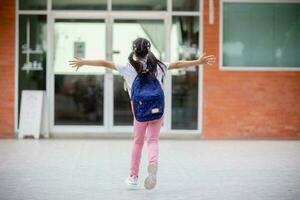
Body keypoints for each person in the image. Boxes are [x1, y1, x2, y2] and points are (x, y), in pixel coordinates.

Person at [69, 37, 215, 190]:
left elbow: (105, 63)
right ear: (148, 50)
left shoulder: (127, 67)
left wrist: (84, 62)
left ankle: (133, 177)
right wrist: (198, 61)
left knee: (138, 143)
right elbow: (178, 64)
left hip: (139, 112)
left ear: (134, 51)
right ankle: (152, 163)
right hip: (158, 110)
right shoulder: (158, 65)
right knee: (153, 141)